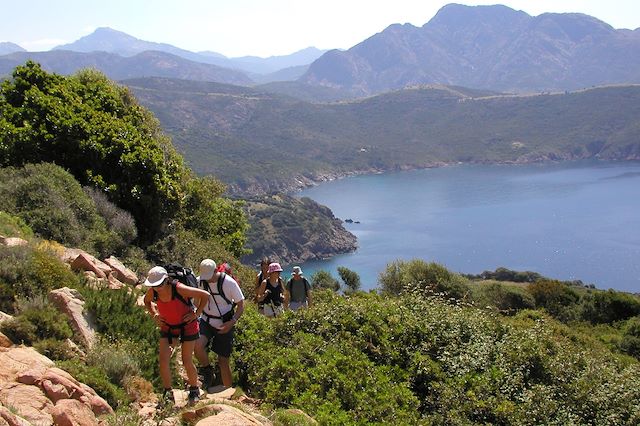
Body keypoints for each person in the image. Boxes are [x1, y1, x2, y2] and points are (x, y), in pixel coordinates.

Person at [143, 266, 209, 405]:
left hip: (187, 326)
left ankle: (194, 389)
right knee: (163, 360)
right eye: (154, 285)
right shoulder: (153, 291)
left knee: (186, 360)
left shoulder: (179, 288)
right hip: (168, 327)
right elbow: (146, 301)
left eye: (160, 284)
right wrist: (154, 314)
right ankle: (168, 392)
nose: (158, 288)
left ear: (166, 280)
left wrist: (196, 314)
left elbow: (205, 295)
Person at [195, 259, 245, 390]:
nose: (208, 280)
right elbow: (195, 300)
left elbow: (240, 305)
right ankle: (207, 370)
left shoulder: (229, 283)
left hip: (225, 323)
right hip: (206, 320)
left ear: (216, 271)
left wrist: (232, 322)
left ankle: (228, 391)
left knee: (223, 361)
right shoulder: (200, 281)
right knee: (198, 345)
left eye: (210, 276)